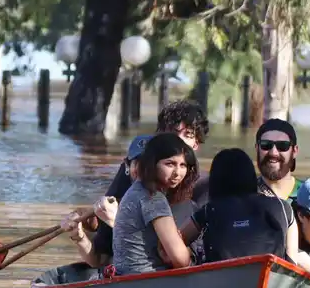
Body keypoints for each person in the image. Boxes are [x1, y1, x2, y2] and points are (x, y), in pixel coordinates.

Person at [65, 100, 209, 266]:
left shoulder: (203, 187)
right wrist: (83, 231)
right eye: (171, 134)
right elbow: (100, 253)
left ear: (196, 143)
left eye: (187, 135)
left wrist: (118, 222)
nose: (177, 141)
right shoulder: (138, 180)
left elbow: (183, 257)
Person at [180, 148, 301, 264]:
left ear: (215, 180)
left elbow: (178, 241)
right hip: (272, 280)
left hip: (221, 280)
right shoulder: (282, 207)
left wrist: (190, 261)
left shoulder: (210, 210)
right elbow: (291, 263)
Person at [109, 133, 198, 275]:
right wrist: (186, 254)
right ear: (152, 163)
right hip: (146, 278)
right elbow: (181, 260)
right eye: (170, 164)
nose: (177, 173)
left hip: (130, 277)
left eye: (183, 165)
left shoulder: (136, 190)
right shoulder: (153, 198)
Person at [254, 118, 301, 200]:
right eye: (266, 145)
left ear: (294, 151)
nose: (273, 153)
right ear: (257, 148)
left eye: (282, 145)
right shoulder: (242, 196)